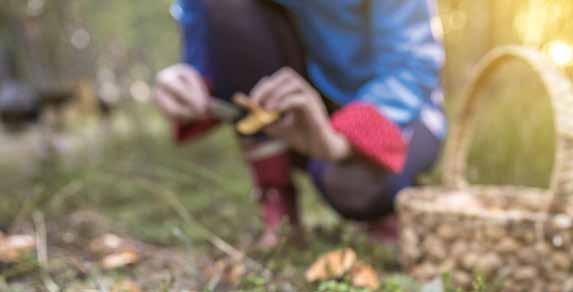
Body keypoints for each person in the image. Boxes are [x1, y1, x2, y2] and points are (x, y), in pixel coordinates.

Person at [153, 0, 446, 246]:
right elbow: (203, 31)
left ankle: (383, 205)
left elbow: (412, 66)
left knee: (352, 186)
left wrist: (341, 139)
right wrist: (191, 77)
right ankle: (275, 194)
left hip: (395, 109)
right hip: (297, 117)